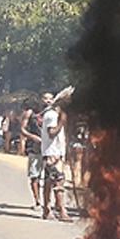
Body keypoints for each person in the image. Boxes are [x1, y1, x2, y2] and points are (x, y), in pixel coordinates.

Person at [39, 93, 71, 221]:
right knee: (58, 181)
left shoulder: (53, 114)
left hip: (55, 152)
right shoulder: (52, 115)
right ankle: (61, 210)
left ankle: (47, 209)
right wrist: (62, 122)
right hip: (52, 153)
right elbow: (51, 133)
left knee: (49, 182)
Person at [20, 102, 44, 209]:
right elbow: (22, 129)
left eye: (50, 98)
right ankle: (38, 201)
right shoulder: (30, 113)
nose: (47, 101)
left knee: (52, 177)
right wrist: (32, 137)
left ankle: (51, 203)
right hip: (35, 148)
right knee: (35, 176)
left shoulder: (54, 112)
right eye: (45, 98)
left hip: (50, 149)